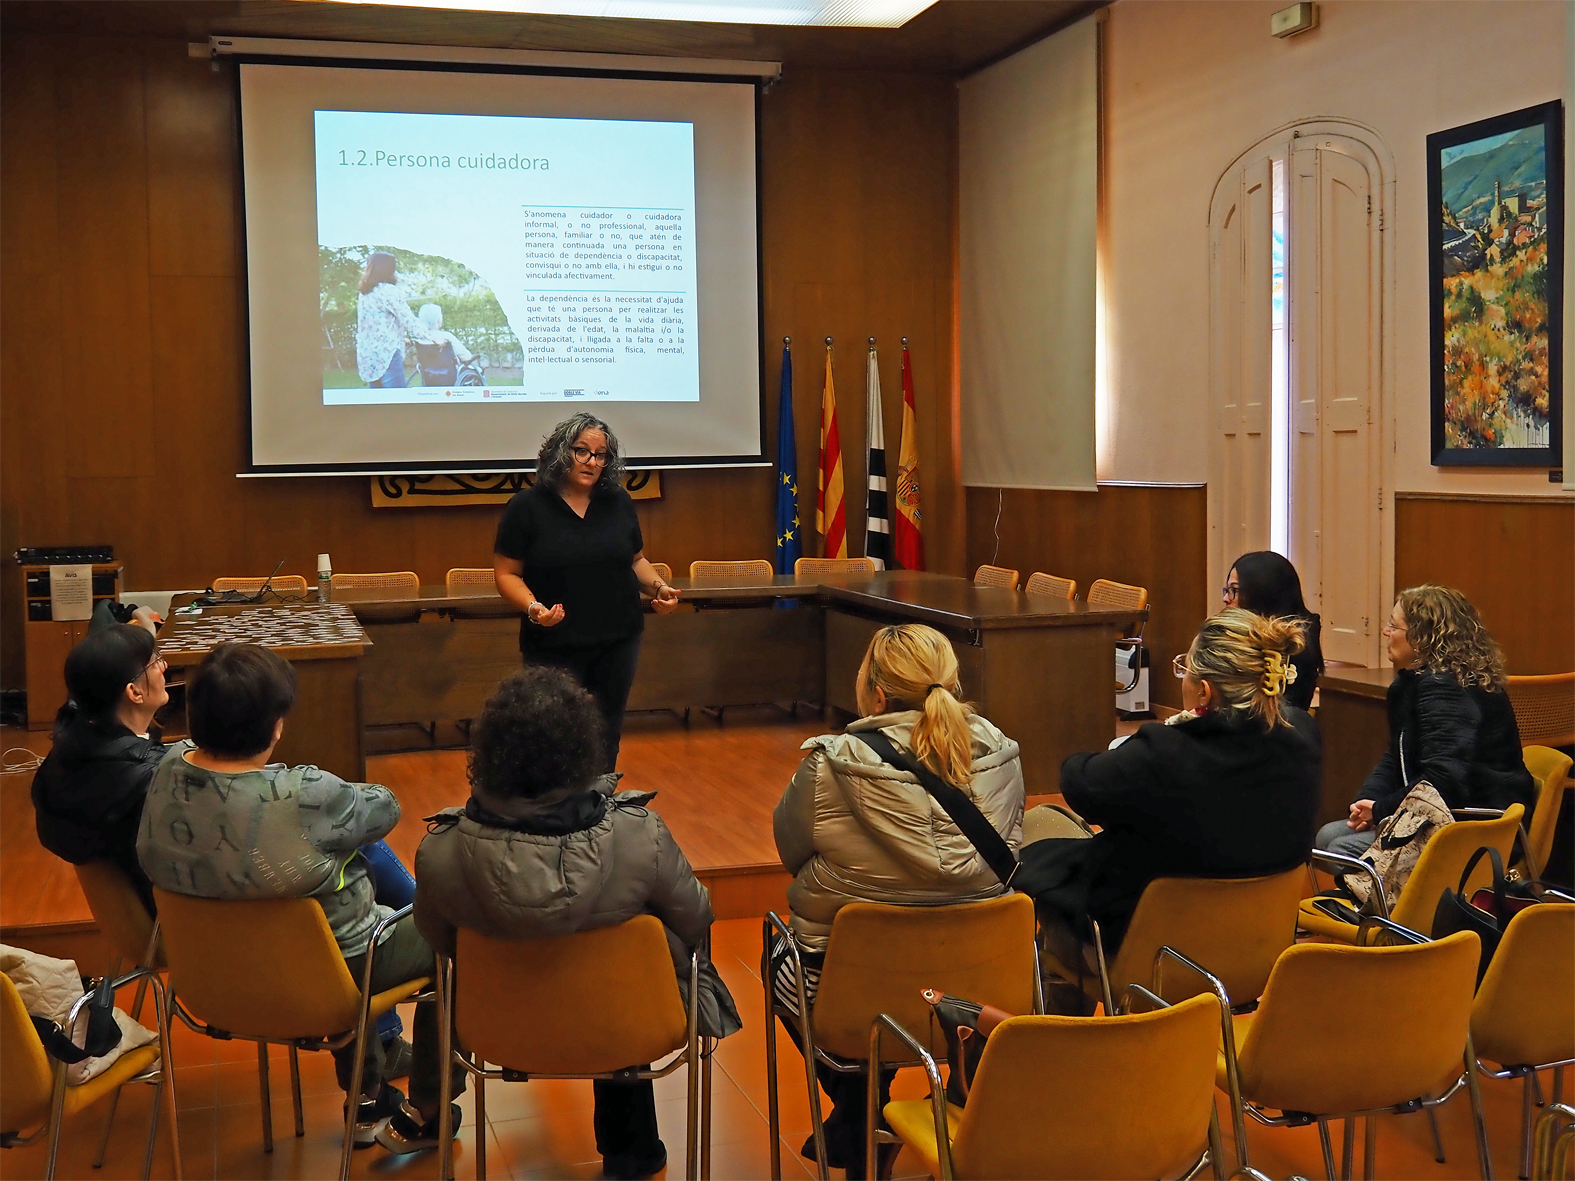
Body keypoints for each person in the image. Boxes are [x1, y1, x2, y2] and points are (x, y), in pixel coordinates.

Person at [414, 667, 740, 1181]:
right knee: (634, 949)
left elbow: (437, 942)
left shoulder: (439, 851)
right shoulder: (640, 835)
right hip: (624, 1024)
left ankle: (429, 1108)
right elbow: (697, 916)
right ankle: (631, 1151)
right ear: (582, 749)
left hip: (496, 1029)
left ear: (490, 752)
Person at [136, 643, 459, 1154]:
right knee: (451, 930)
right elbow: (386, 808)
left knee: (325, 919)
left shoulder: (168, 769)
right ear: (276, 727)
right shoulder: (306, 794)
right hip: (326, 972)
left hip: (212, 974)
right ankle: (429, 1108)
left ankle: (368, 1097)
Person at [771, 623, 1024, 1176]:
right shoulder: (1001, 752)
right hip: (978, 983)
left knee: (781, 963)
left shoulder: (829, 763)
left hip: (854, 991)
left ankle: (860, 1105)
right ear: (951, 684)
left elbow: (791, 851)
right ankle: (927, 1101)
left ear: (878, 695)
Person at [1023, 608, 1322, 979]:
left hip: (1152, 964)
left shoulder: (1165, 754)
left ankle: (1057, 1011)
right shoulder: (1302, 734)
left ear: (1204, 692)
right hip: (1257, 959)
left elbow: (1078, 782)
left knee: (1040, 831)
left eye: (1186, 669)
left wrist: (1162, 736)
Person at [493, 413, 681, 771]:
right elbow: (506, 574)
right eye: (582, 451)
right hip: (553, 641)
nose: (592, 462)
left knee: (606, 731)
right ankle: (557, 802)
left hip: (618, 638)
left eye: (601, 455)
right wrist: (534, 609)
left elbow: (636, 560)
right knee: (552, 734)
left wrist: (659, 588)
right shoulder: (527, 507)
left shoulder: (617, 501)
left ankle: (599, 798)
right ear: (560, 452)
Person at [1316, 585, 1536, 858]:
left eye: (1393, 626)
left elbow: (1444, 780)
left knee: (1340, 849)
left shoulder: (1445, 688)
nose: (1385, 632)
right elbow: (1396, 755)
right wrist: (1368, 800)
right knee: (1327, 836)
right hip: (1439, 812)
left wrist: (1382, 809)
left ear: (1420, 639)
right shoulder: (1414, 683)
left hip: (1476, 825)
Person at [31, 613, 167, 913]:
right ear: (134, 692)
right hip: (172, 921)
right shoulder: (151, 778)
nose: (164, 667)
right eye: (155, 662)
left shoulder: (65, 755)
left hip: (134, 917)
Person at [1223, 550, 1324, 710]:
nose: (1226, 599)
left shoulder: (1294, 646)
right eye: (1227, 590)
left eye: (1235, 590)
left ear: (1263, 593)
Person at [355, 251, 436, 389]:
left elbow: (372, 325)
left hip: (368, 357)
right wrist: (431, 337)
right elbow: (408, 319)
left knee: (376, 401)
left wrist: (400, 338)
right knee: (398, 400)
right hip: (387, 355)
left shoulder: (364, 293)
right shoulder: (389, 291)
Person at [413, 303, 475, 387]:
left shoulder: (421, 340)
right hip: (450, 378)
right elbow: (466, 357)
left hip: (429, 378)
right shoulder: (447, 337)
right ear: (438, 320)